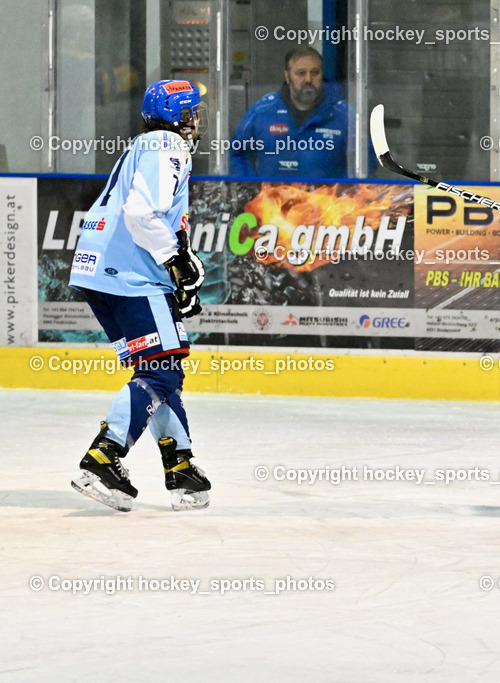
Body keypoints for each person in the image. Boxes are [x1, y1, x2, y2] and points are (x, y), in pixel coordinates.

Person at [69, 79, 211, 512]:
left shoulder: (144, 144)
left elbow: (154, 212)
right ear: (180, 117)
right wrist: (173, 260)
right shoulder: (169, 145)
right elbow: (140, 212)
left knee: (159, 370)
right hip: (130, 276)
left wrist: (177, 265)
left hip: (101, 273)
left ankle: (181, 465)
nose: (197, 120)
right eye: (193, 111)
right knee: (161, 373)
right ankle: (102, 458)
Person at [229, 46, 355, 178]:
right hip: (272, 198)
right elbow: (236, 153)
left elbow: (364, 159)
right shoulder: (262, 111)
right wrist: (252, 187)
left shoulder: (343, 115)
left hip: (323, 198)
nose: (308, 79)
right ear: (287, 76)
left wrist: (341, 193)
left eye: (315, 73)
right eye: (301, 73)